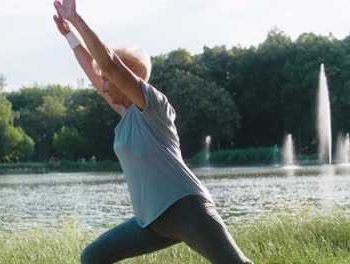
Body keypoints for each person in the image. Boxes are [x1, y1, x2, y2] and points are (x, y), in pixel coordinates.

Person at [52, 1, 253, 263]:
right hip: (152, 220)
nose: (101, 86)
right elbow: (95, 69)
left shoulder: (154, 106)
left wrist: (77, 19)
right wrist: (69, 35)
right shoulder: (127, 115)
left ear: (131, 76)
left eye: (108, 78)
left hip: (186, 209)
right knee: (93, 256)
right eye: (102, 79)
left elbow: (109, 64)